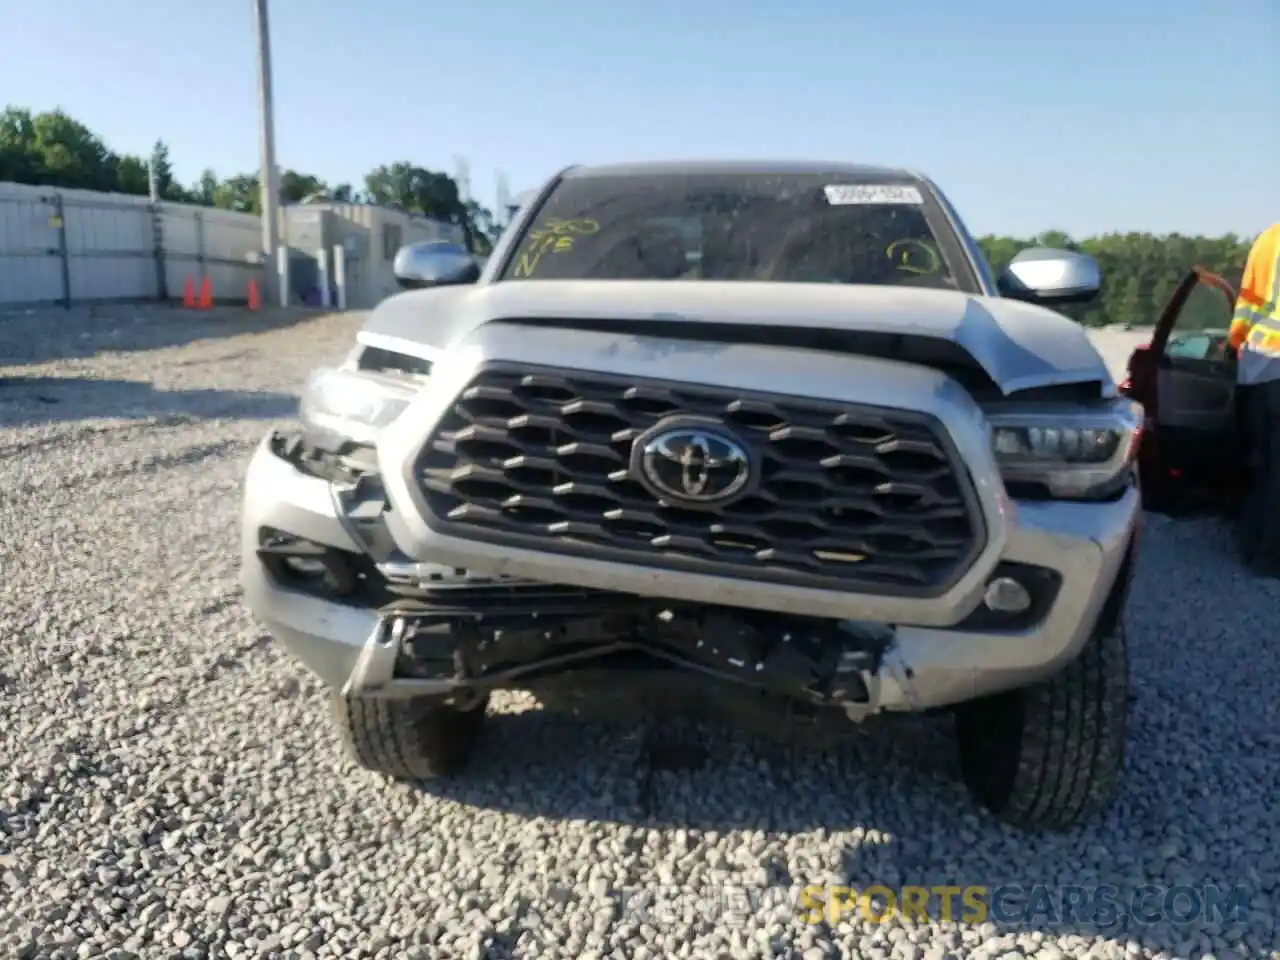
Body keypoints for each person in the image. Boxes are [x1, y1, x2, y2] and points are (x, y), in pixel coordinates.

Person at [1227, 221, 1280, 575]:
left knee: (1264, 464)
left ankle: (1254, 546)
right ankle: (1270, 557)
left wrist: (1234, 345)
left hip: (1261, 364)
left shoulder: (1269, 238)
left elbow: (1247, 302)